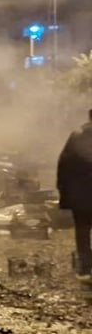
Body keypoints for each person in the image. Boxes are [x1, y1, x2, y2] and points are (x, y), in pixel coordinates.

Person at [56, 108, 92, 283]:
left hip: (80, 196)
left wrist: (63, 191)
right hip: (82, 193)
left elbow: (63, 165)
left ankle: (85, 269)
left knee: (82, 231)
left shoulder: (76, 136)